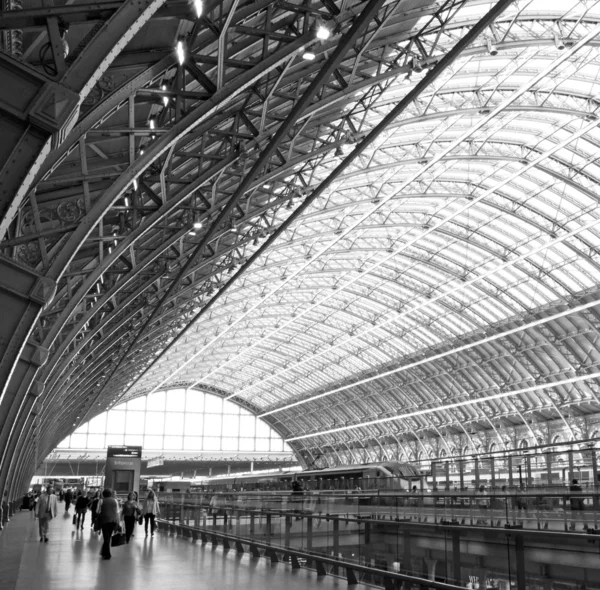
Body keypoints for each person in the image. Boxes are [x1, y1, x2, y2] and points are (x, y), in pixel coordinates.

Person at [98, 489, 119, 559]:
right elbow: (117, 511)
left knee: (106, 537)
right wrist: (118, 521)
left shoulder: (101, 501)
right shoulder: (115, 500)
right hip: (113, 520)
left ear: (103, 494)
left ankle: (107, 554)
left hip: (104, 520)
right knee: (108, 537)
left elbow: (97, 511)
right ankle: (104, 552)